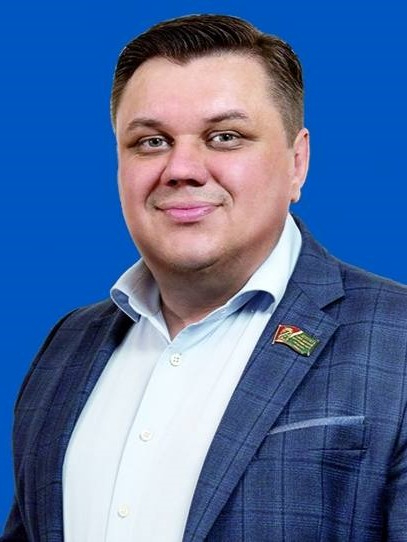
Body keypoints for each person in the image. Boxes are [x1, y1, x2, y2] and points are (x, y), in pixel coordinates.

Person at [2, 13, 407, 542]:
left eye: (224, 137)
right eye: (151, 142)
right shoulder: (65, 346)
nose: (182, 168)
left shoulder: (397, 340)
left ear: (297, 162)